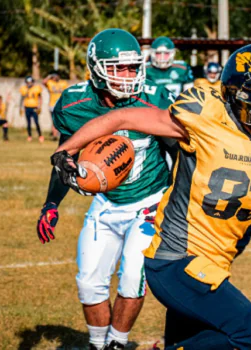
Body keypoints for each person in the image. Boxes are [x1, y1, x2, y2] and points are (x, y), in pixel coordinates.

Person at [51, 43, 251, 350]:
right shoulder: (205, 116)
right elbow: (123, 118)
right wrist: (67, 149)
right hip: (175, 259)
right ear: (244, 92)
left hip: (216, 262)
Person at [36, 29, 174, 350]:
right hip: (107, 203)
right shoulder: (74, 104)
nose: (128, 76)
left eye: (132, 67)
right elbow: (64, 156)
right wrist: (52, 204)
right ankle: (98, 344)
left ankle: (117, 342)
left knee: (131, 278)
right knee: (88, 283)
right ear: (96, 68)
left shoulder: (153, 97)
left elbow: (178, 150)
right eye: (118, 68)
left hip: (149, 202)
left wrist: (174, 201)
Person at [43, 71, 68, 140]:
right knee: (54, 121)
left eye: (55, 76)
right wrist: (49, 76)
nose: (53, 78)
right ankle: (54, 135)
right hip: (52, 105)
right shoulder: (50, 82)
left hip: (61, 105)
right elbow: (44, 82)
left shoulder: (63, 83)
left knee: (61, 120)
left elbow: (66, 93)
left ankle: (59, 134)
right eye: (53, 77)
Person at [20, 75, 44, 142]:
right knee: (28, 123)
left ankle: (40, 135)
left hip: (34, 107)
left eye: (30, 82)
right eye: (28, 82)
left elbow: (40, 97)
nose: (29, 83)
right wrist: (21, 107)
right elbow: (22, 98)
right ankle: (29, 136)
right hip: (27, 107)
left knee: (36, 122)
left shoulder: (36, 88)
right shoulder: (24, 88)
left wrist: (40, 105)